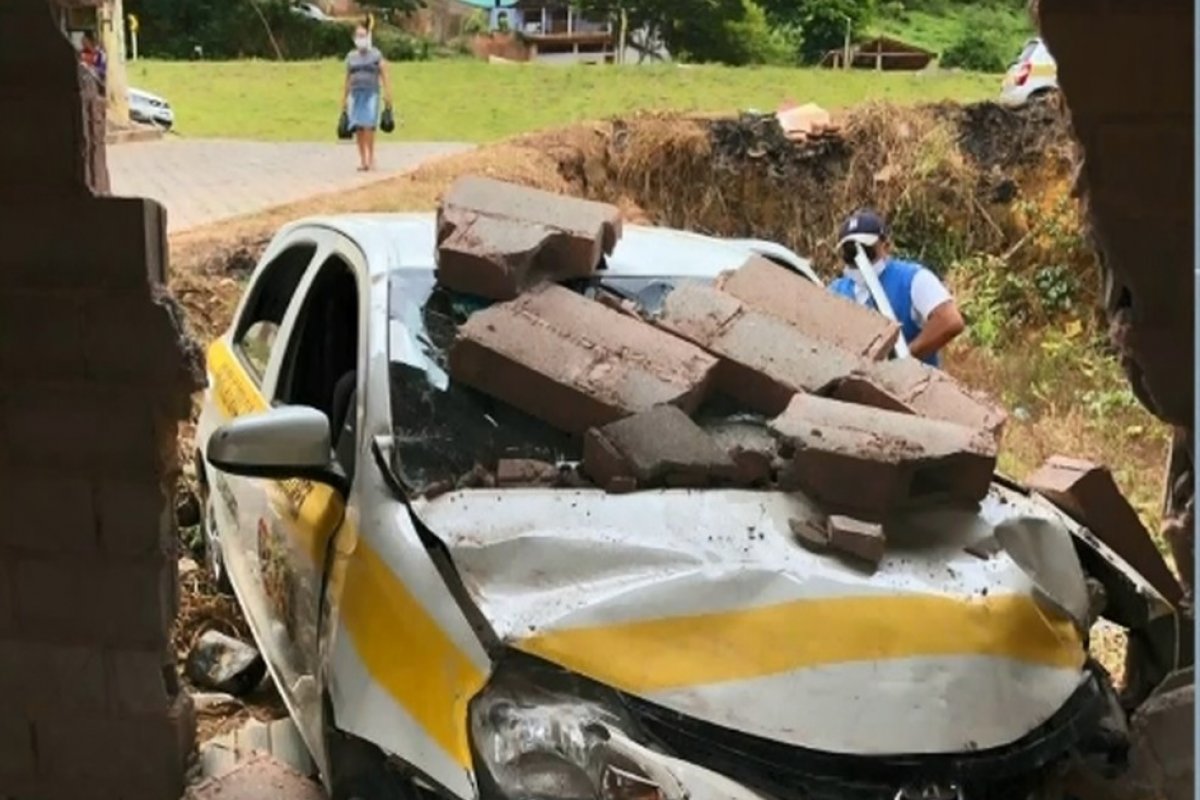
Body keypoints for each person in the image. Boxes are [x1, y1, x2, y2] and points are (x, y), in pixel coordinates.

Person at [828, 209, 965, 367]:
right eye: (851, 251)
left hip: (911, 380)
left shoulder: (912, 279)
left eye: (866, 248)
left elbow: (949, 320)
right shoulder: (836, 291)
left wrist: (904, 358)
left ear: (885, 246)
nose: (859, 256)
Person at [342, 26, 392, 172]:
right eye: (358, 36)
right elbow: (348, 78)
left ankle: (371, 158)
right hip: (356, 94)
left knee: (369, 125)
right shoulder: (351, 57)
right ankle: (363, 160)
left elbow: (384, 73)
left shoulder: (376, 55)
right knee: (358, 127)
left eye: (363, 35)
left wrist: (387, 93)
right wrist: (344, 97)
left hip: (371, 93)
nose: (361, 39)